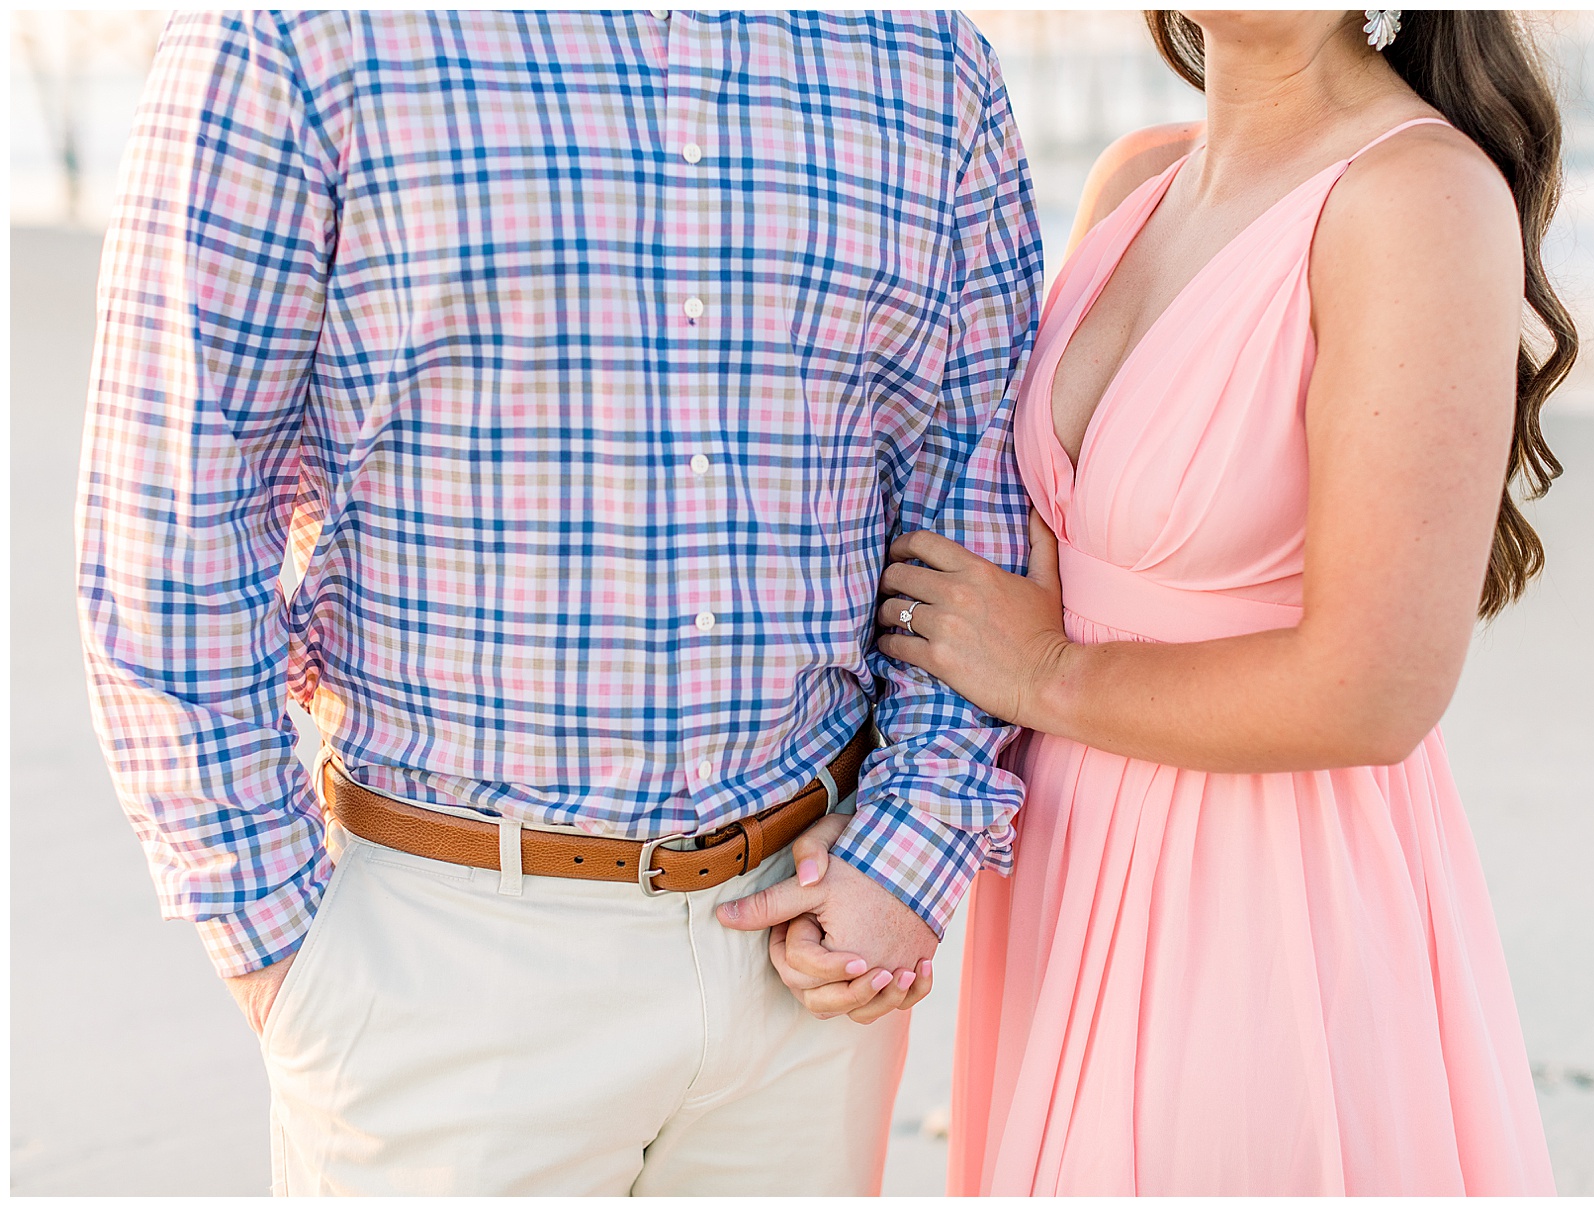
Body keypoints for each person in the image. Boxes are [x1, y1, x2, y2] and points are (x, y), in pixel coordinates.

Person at [75, 10, 1039, 1195]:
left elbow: (973, 485)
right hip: (442, 979)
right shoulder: (292, 34)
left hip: (811, 964)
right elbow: (172, 515)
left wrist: (915, 842)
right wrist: (282, 954)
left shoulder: (925, 56)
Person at [872, 9, 1576, 1195]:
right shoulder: (1136, 180)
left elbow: (1374, 692)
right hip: (1068, 856)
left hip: (1261, 891)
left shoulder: (1418, 198)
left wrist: (1043, 675)